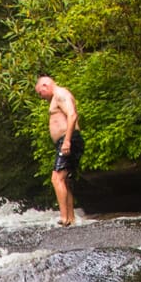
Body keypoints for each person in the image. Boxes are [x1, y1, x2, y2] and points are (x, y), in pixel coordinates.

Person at [35, 75, 83, 227]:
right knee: (65, 179)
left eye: (39, 93)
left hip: (68, 139)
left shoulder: (60, 94)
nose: (41, 97)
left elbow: (72, 115)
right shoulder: (56, 97)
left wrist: (67, 140)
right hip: (65, 141)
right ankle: (70, 218)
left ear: (44, 85)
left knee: (57, 178)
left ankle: (64, 218)